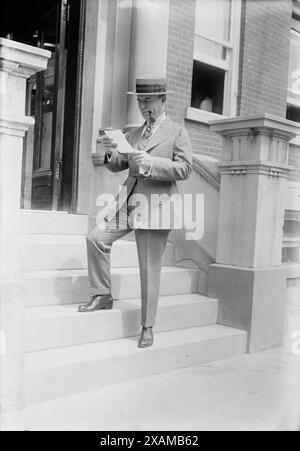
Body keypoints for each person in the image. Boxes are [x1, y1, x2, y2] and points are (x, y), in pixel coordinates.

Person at [78, 78, 193, 348]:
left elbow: (185, 168)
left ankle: (147, 327)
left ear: (162, 100)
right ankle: (102, 294)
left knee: (149, 271)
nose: (143, 107)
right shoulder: (134, 133)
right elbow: (119, 164)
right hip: (128, 203)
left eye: (148, 101)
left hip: (156, 208)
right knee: (96, 238)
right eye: (140, 101)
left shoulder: (177, 132)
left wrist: (152, 163)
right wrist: (110, 150)